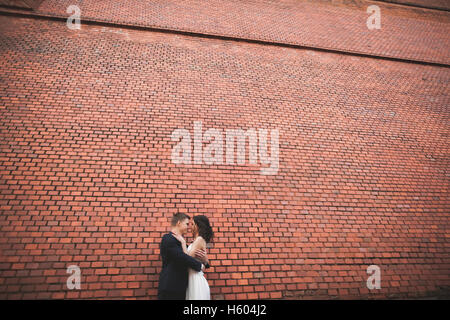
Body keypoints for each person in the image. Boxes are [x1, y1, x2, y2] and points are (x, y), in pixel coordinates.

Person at [157, 213, 209, 300]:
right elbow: (183, 258)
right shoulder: (168, 239)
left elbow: (194, 256)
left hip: (181, 287)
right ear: (178, 223)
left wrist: (206, 262)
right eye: (187, 224)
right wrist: (201, 266)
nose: (189, 227)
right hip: (170, 287)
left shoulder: (183, 243)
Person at [184, 215, 214, 300]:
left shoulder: (199, 239)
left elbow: (187, 258)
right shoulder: (197, 240)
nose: (191, 227)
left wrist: (182, 243)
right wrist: (205, 262)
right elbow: (205, 260)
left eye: (192, 224)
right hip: (192, 278)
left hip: (196, 280)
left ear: (197, 226)